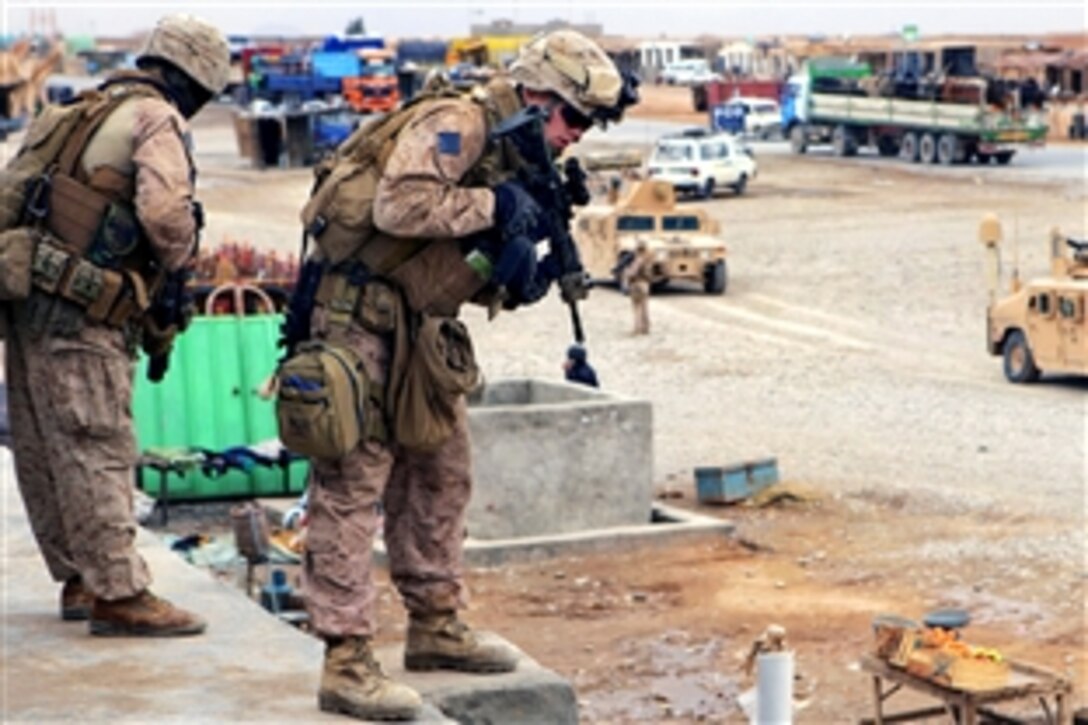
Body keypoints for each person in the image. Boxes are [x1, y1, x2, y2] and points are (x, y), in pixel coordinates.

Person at [295, 30, 636, 721]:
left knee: (441, 474)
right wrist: (497, 208)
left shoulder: (513, 148)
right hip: (357, 324)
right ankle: (346, 658)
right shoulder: (461, 122)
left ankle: (436, 623)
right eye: (574, 118)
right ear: (540, 98)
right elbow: (400, 207)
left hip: (421, 330)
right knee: (352, 488)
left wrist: (512, 274)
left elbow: (445, 258)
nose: (577, 134)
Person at [2, 14, 229, 636]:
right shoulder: (156, 118)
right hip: (81, 305)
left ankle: (82, 576)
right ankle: (120, 594)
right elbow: (165, 215)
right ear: (194, 81)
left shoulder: (78, 109)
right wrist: (177, 264)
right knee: (96, 442)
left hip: (29, 296)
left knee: (47, 444)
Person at [623, 239, 654, 335]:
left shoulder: (638, 260)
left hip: (637, 284)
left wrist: (626, 272)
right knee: (645, 307)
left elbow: (632, 273)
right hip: (645, 284)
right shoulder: (648, 260)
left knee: (637, 307)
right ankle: (646, 327)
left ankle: (637, 328)